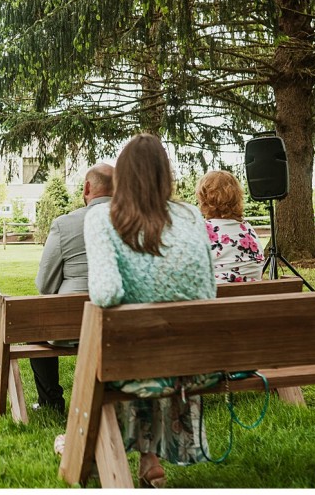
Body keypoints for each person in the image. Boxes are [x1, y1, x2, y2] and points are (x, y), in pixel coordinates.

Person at [81, 134, 216, 488]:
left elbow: (106, 293)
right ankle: (149, 459)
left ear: (122, 176)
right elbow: (208, 290)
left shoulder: (103, 218)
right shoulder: (191, 216)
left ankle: (91, 454)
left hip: (136, 363)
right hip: (197, 365)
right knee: (149, 345)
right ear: (165, 175)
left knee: (113, 351)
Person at [30, 163, 113, 416]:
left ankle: (51, 402)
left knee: (33, 327)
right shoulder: (137, 220)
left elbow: (45, 284)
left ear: (87, 187)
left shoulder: (65, 224)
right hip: (124, 323)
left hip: (72, 326)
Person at [195, 170, 264, 282]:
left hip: (215, 298)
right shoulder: (248, 229)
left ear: (204, 198)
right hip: (251, 297)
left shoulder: (200, 230)